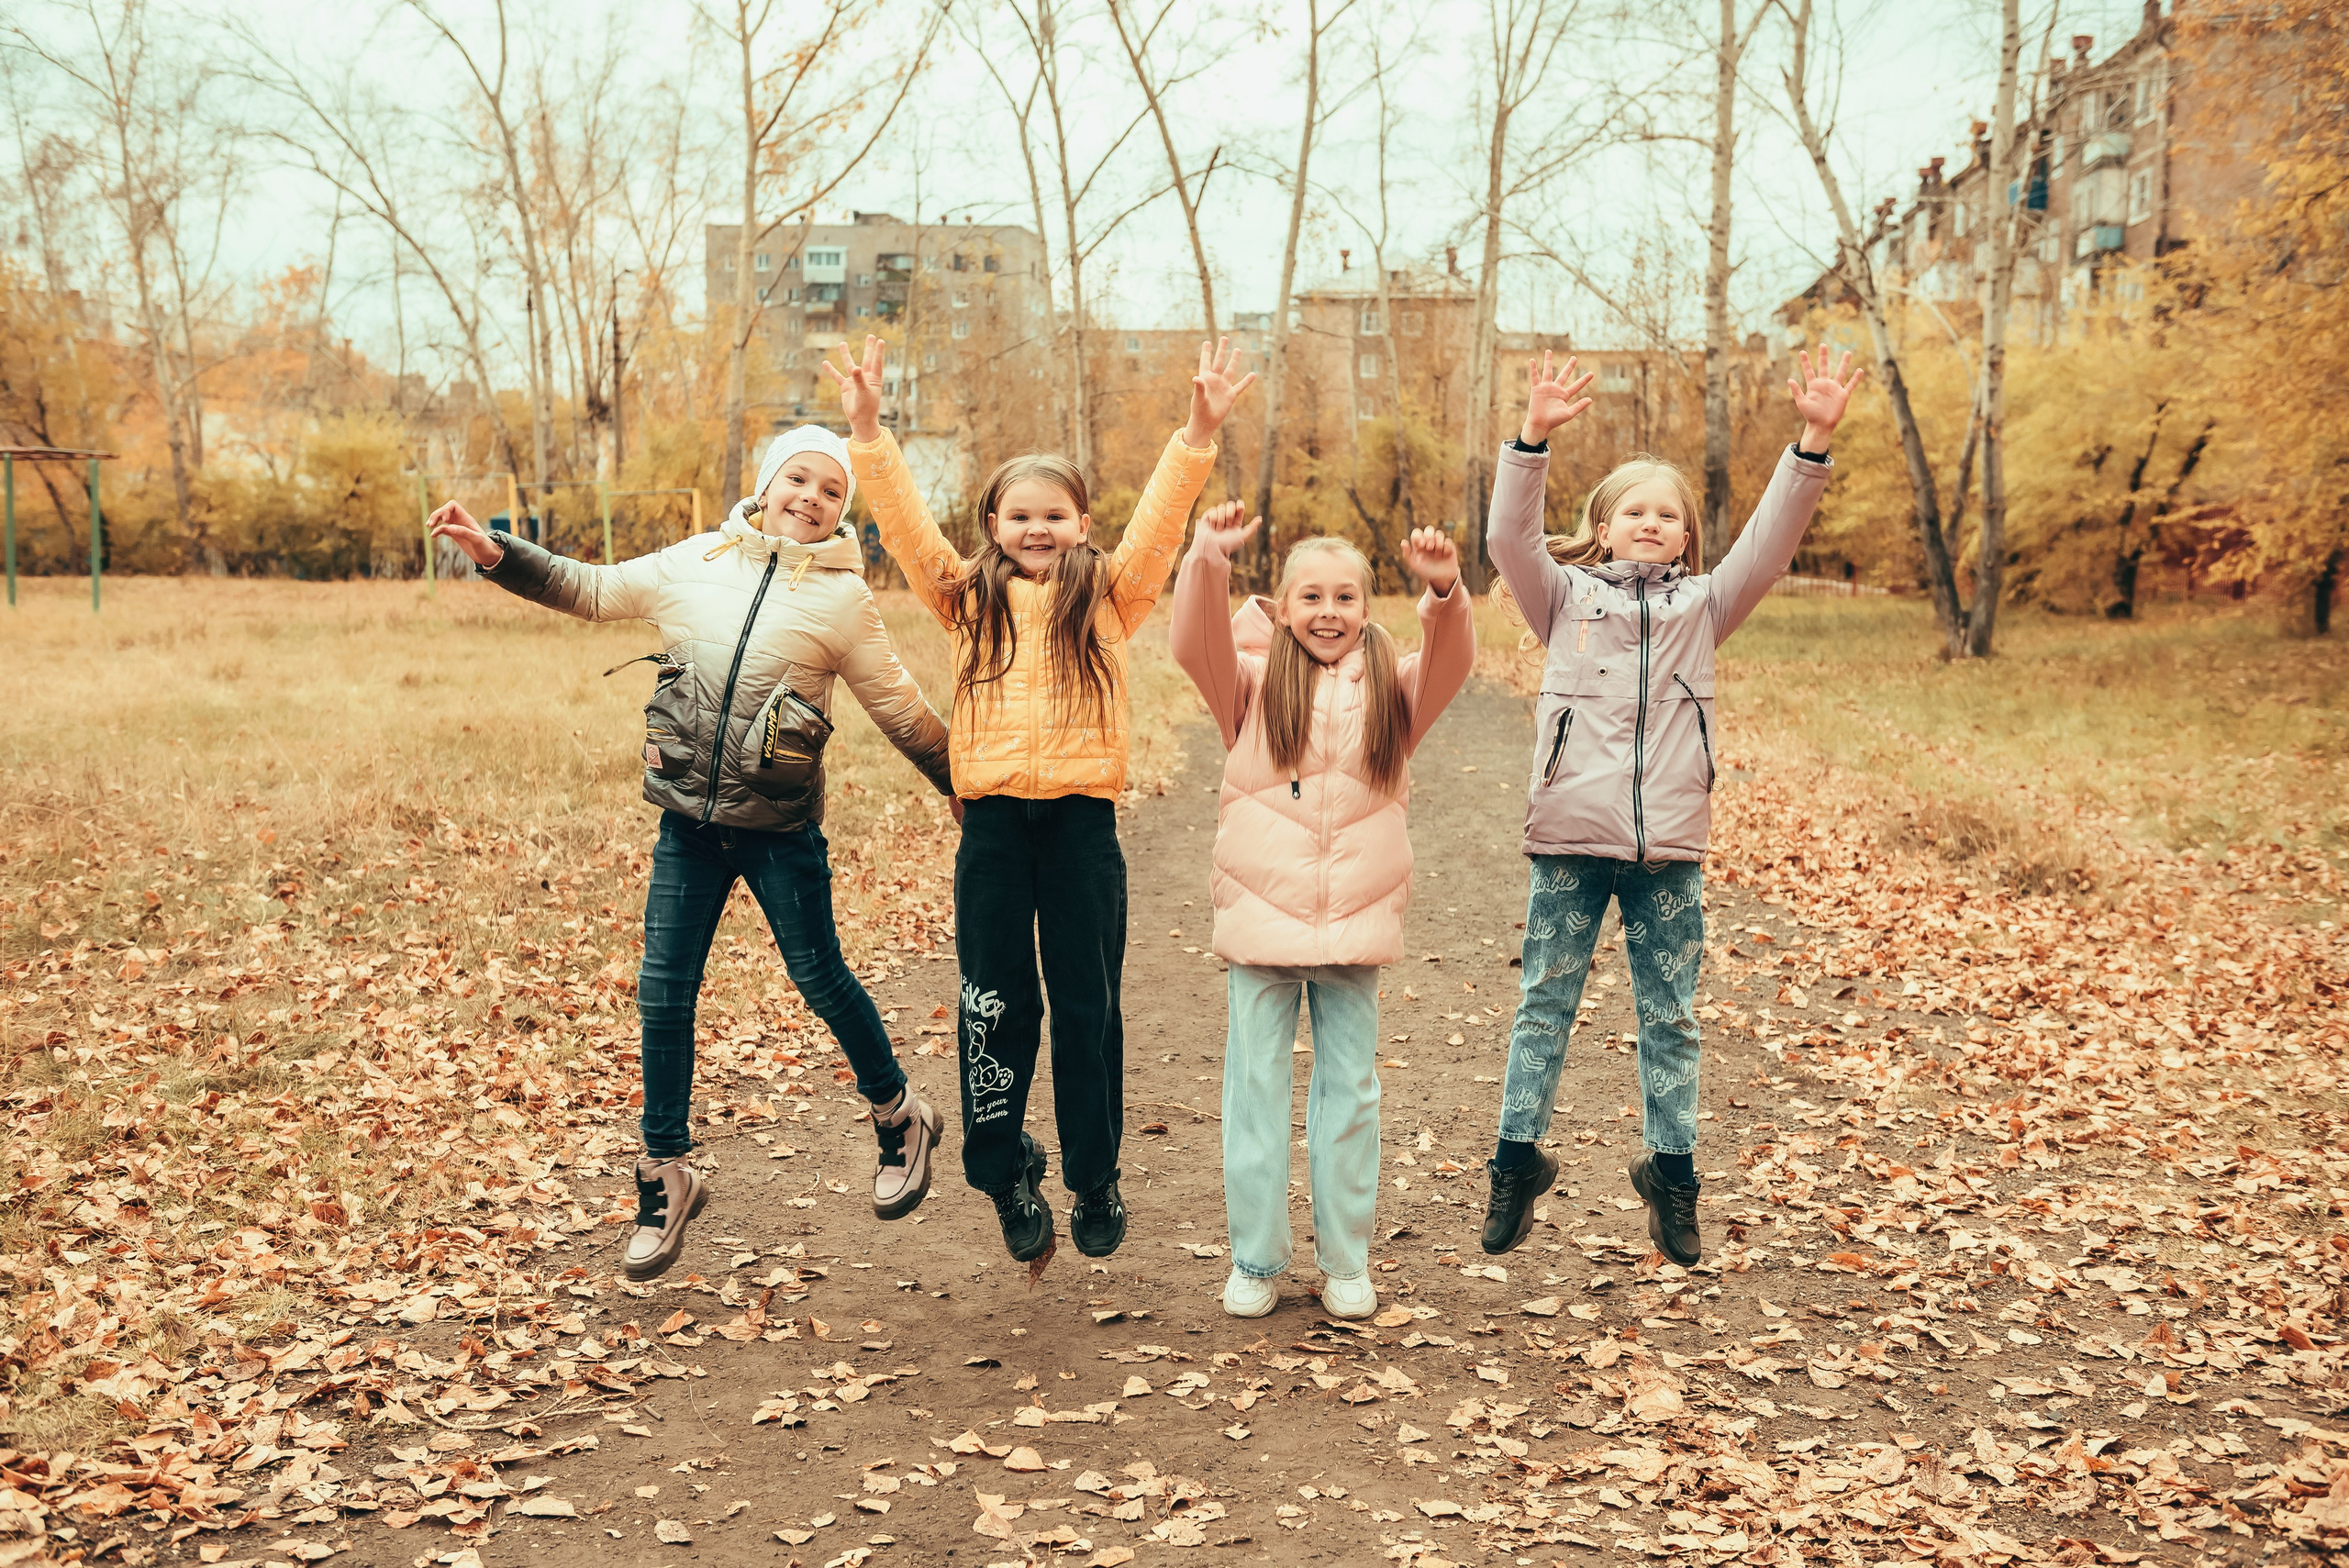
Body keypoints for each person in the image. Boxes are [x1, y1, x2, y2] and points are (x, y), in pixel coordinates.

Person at [428, 427, 958, 1281]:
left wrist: (961, 787)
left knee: (820, 975)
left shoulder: (844, 602)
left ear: (840, 511)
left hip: (780, 830)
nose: (811, 496)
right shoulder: (695, 560)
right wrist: (497, 551)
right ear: (767, 482)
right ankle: (665, 1169)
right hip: (688, 825)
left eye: (831, 489)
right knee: (664, 992)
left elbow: (902, 707)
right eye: (798, 477)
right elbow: (591, 588)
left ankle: (899, 1112)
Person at [826, 334, 1253, 1267]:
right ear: (991, 523)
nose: (1036, 527)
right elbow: (900, 524)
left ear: (1081, 522)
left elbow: (1159, 528)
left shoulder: (1110, 598)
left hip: (1080, 830)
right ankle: (1004, 1165)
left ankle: (1094, 1173)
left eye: (1053, 514)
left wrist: (1197, 432)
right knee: (993, 1002)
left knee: (1086, 1004)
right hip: (990, 833)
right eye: (1018, 513)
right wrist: (866, 428)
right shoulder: (964, 599)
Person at [1477, 345, 1865, 1266]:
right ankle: (1514, 1159)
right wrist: (1531, 437)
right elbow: (1506, 540)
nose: (1650, 524)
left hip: (1670, 854)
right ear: (1602, 528)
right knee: (1544, 1004)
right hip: (1570, 841)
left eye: (1667, 515)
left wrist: (1811, 440)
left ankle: (1673, 1173)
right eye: (1632, 512)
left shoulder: (1704, 607)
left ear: (1687, 539)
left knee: (1672, 1015)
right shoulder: (1561, 599)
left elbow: (1770, 542)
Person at [1171, 511, 1475, 1319]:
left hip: (1354, 927)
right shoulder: (1248, 680)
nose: (1329, 610)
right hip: (1261, 926)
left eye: (1346, 595)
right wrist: (1208, 560)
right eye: (1311, 595)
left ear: (1368, 608)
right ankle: (1256, 1260)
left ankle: (1346, 1260)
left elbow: (1452, 662)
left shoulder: (1394, 692)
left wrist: (1443, 589)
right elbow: (1189, 640)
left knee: (1352, 1096)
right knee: (1256, 1095)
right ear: (1280, 607)